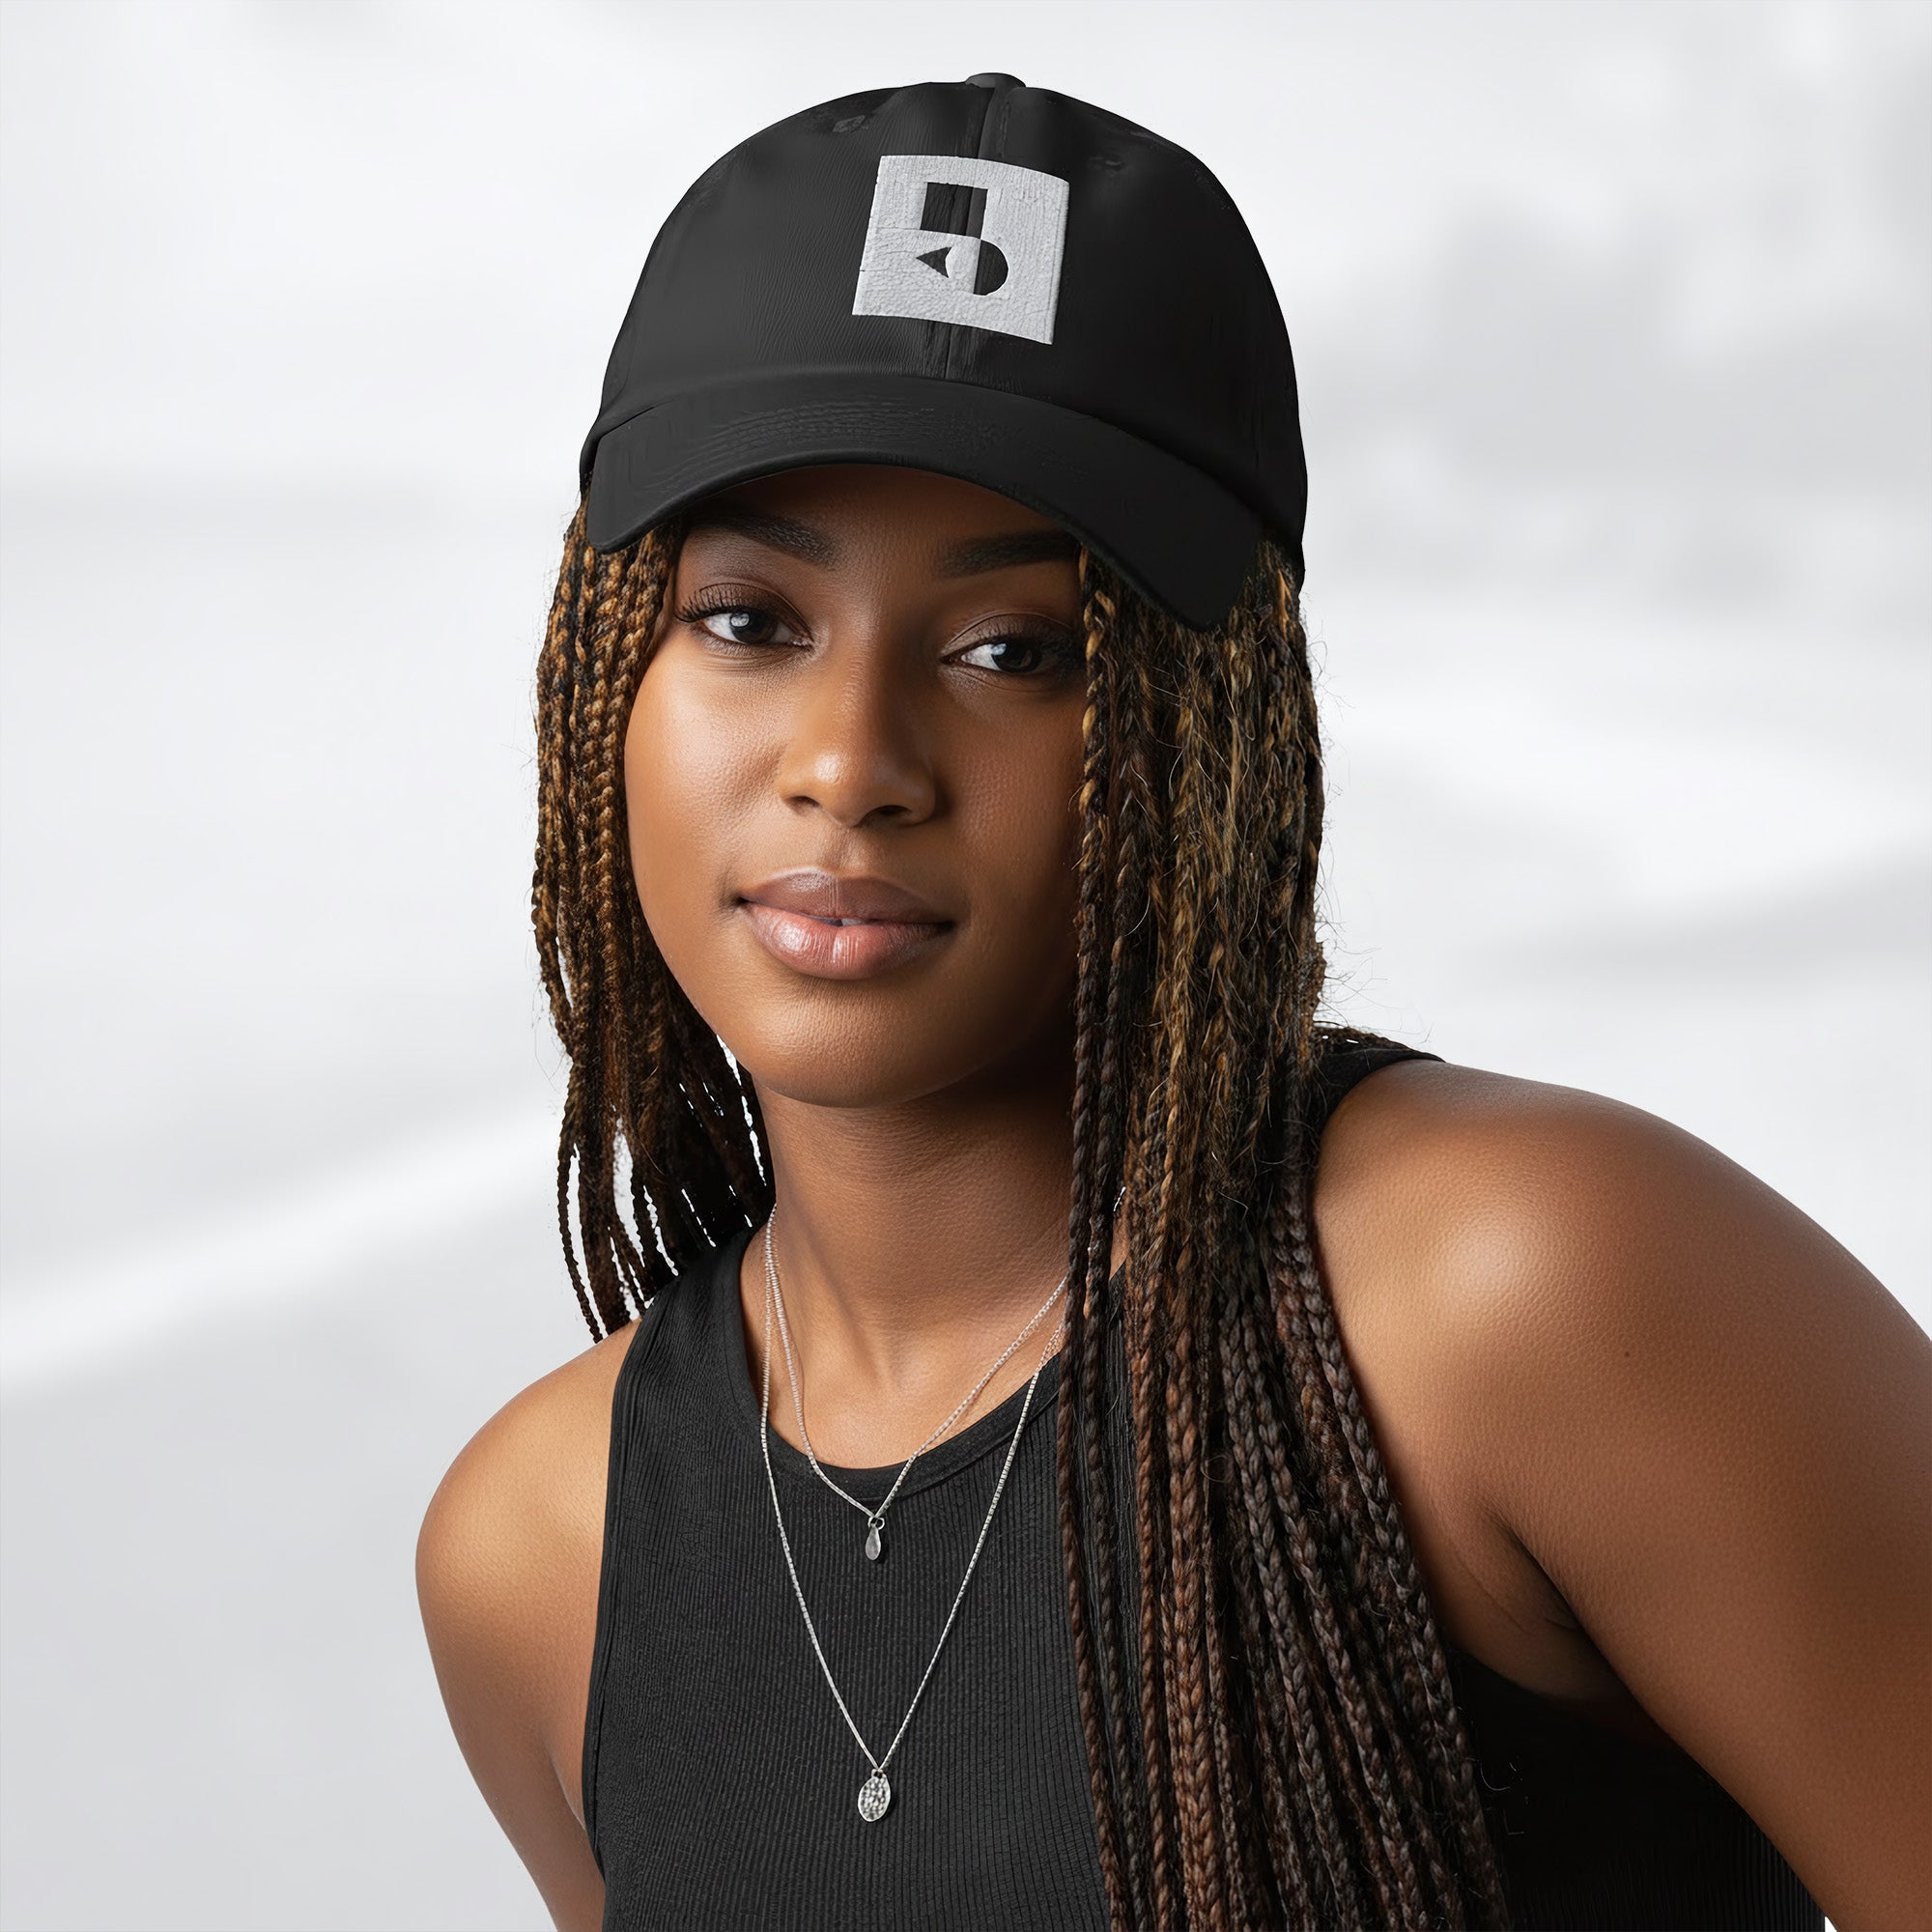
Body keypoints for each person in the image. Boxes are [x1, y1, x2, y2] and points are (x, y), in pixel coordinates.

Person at [414, 75, 1928, 1932]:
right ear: (602, 684)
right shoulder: (542, 1549)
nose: (850, 760)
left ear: (1220, 740)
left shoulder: (1522, 1293)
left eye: (1016, 650)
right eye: (750, 621)